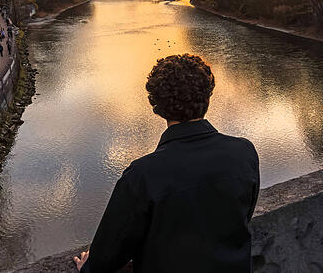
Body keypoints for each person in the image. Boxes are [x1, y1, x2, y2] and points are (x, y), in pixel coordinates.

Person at [74, 54, 259, 273]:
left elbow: (108, 256)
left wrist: (88, 266)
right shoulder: (244, 153)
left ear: (157, 106)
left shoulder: (143, 175)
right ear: (207, 97)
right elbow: (241, 217)